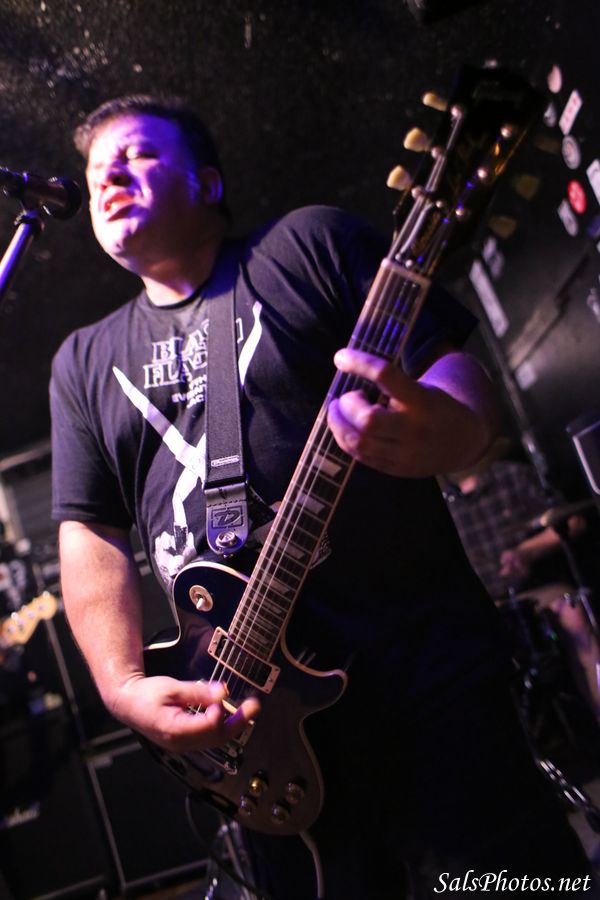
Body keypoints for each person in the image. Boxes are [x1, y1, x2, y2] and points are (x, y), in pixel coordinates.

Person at [49, 95, 597, 898]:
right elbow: (90, 533)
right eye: (98, 168)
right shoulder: (82, 362)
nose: (108, 177)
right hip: (251, 734)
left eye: (137, 155)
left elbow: (450, 370)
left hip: (422, 677)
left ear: (208, 182)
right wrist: (121, 685)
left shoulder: (306, 244)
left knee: (511, 884)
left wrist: (449, 428)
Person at [443, 445, 600, 723]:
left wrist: (527, 550)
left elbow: (572, 521)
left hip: (537, 593)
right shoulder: (442, 508)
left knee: (576, 618)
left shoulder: (512, 476)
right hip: (489, 607)